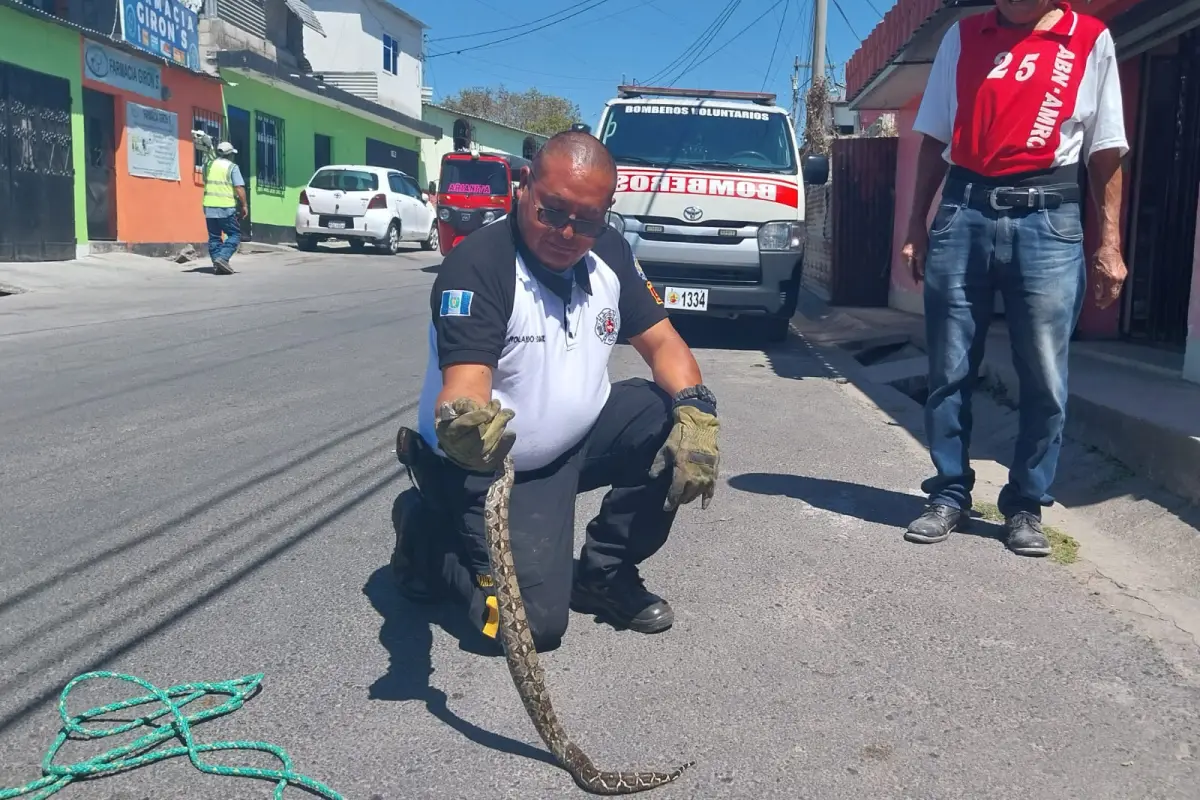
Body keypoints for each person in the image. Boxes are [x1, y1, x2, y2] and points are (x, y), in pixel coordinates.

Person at [391, 130, 721, 651]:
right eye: (552, 212)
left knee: (666, 416)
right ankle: (427, 540)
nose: (567, 232)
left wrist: (698, 414)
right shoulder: (479, 265)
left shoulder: (608, 250)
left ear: (606, 213)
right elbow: (466, 384)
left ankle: (604, 575)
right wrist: (465, 424)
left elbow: (663, 345)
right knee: (532, 628)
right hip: (487, 466)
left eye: (586, 220)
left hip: (574, 445)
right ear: (525, 187)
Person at [900, 0, 1128, 556]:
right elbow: (933, 136)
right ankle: (949, 493)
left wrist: (1110, 242)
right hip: (965, 208)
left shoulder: (1089, 39)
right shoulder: (963, 36)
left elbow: (1105, 149)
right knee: (948, 368)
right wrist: (916, 225)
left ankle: (1026, 505)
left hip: (1050, 216)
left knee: (1045, 376)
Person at [201, 141, 248, 275]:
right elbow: (239, 187)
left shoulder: (209, 165)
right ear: (230, 155)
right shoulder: (232, 167)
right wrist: (244, 205)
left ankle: (218, 263)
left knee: (214, 237)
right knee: (234, 235)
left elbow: (205, 180)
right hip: (226, 207)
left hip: (209, 206)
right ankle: (223, 258)